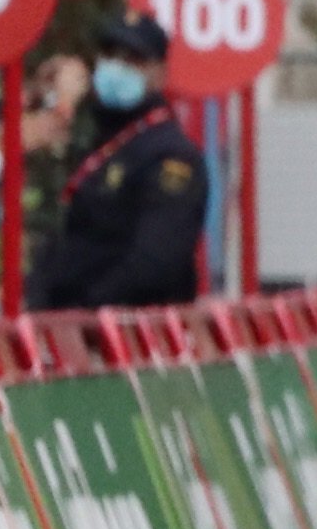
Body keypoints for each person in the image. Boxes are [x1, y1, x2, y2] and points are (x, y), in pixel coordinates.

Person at [32, 18, 207, 311]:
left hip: (125, 333)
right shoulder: (104, 140)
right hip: (68, 322)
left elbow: (155, 261)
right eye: (110, 56)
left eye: (133, 60)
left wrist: (88, 309)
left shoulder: (170, 156)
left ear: (160, 74)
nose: (116, 67)